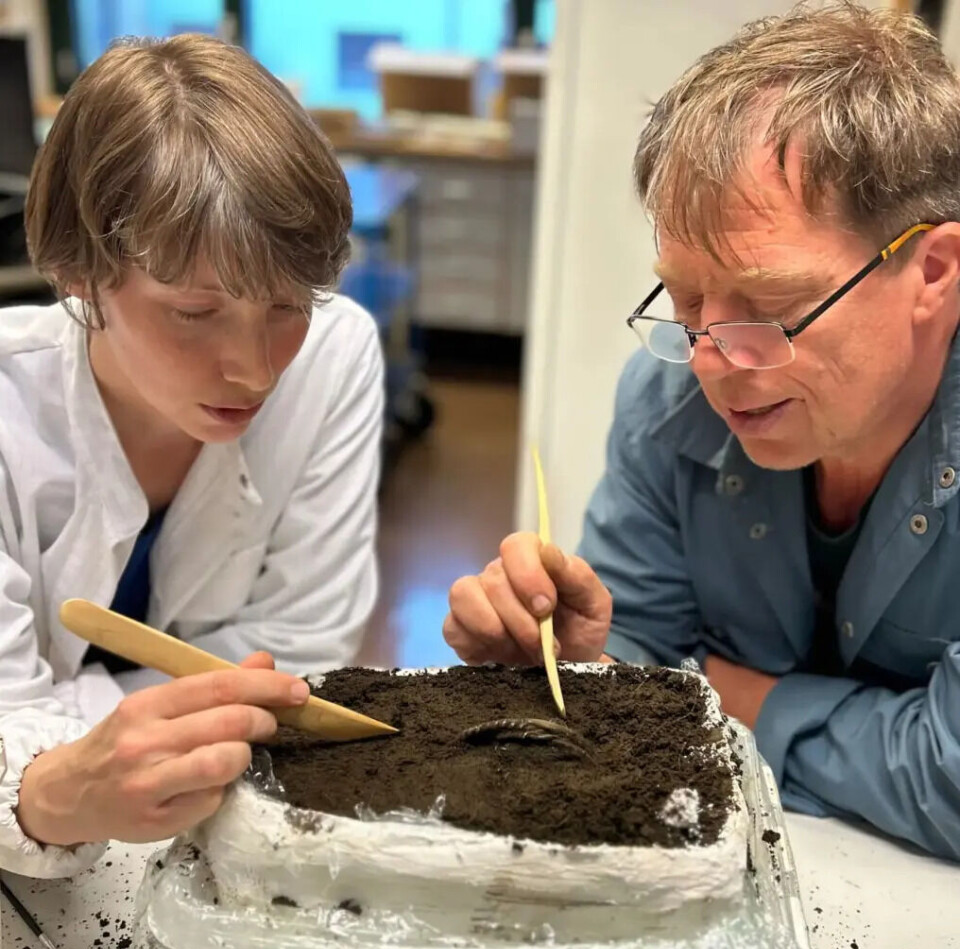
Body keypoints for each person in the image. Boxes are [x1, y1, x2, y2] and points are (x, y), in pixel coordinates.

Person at [444, 2, 960, 860]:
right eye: (685, 300)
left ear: (934, 272)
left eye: (769, 308)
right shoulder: (667, 392)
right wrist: (578, 671)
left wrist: (737, 698)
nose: (712, 359)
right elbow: (638, 684)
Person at [0, 35, 382, 877]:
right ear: (77, 273)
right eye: (193, 312)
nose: (254, 368)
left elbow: (305, 649)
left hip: (224, 840)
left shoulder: (335, 356)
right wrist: (52, 779)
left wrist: (59, 737)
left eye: (287, 305)